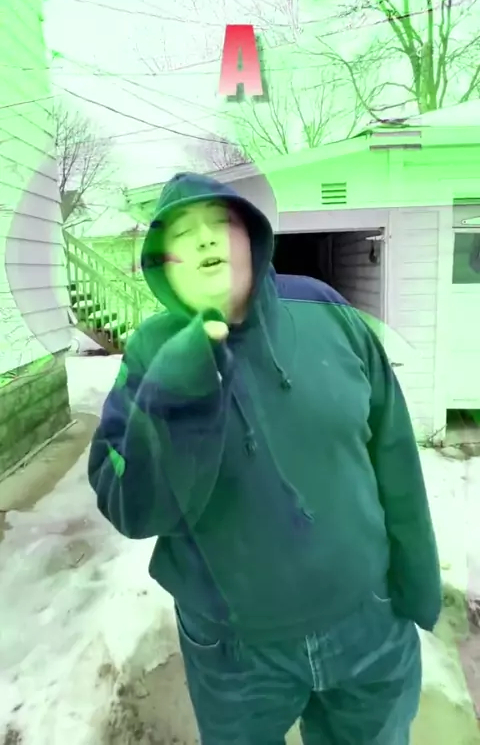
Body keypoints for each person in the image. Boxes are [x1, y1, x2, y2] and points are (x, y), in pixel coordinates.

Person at [88, 171, 442, 745]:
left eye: (219, 224)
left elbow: (394, 454)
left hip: (367, 623)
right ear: (164, 266)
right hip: (234, 655)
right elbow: (129, 506)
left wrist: (417, 579)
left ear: (250, 238)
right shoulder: (152, 351)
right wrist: (173, 394)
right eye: (183, 234)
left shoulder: (326, 312)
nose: (205, 239)